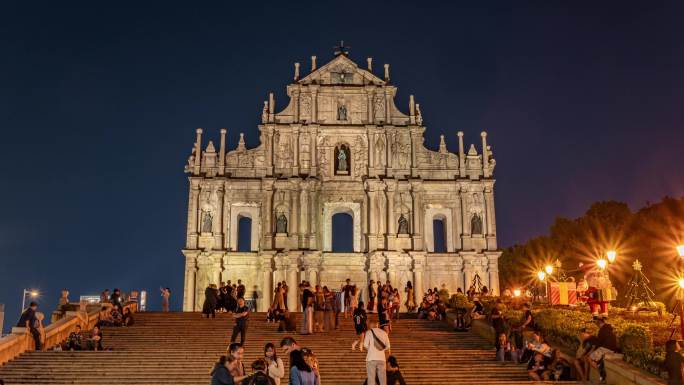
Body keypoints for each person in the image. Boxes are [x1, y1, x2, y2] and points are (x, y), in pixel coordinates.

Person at [364, 321, 391, 385]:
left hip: (371, 358)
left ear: (371, 325)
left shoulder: (369, 332)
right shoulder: (384, 333)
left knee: (371, 379)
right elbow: (388, 347)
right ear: (377, 325)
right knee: (383, 380)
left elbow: (365, 345)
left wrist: (370, 349)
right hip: (382, 359)